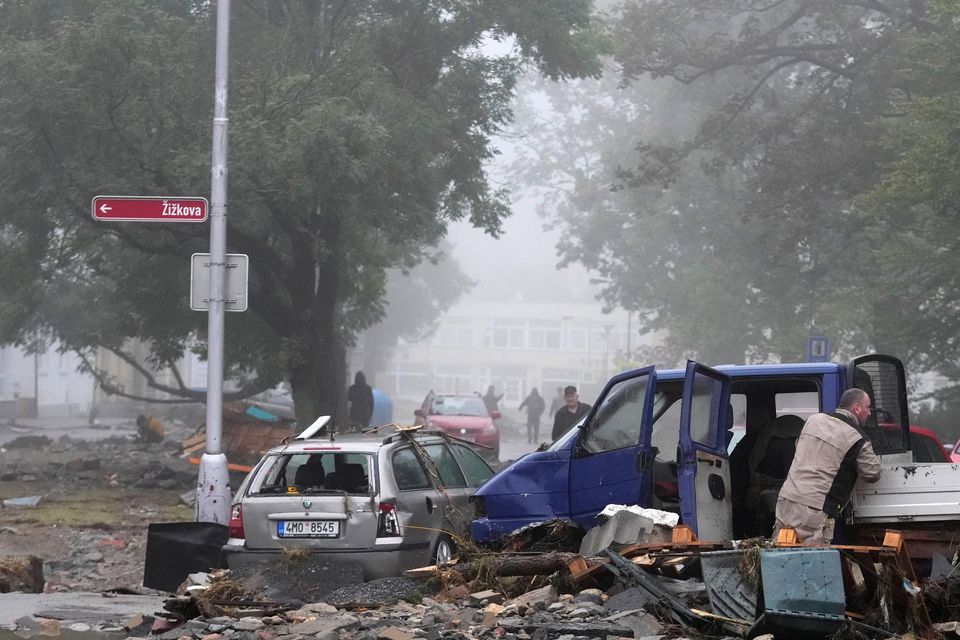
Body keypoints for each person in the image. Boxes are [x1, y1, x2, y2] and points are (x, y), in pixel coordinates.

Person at [774, 388, 882, 544]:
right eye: (868, 407)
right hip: (814, 509)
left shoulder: (813, 420)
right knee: (811, 560)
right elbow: (872, 473)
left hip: (786, 500)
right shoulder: (857, 438)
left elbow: (799, 447)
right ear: (857, 408)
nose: (870, 412)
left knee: (782, 553)